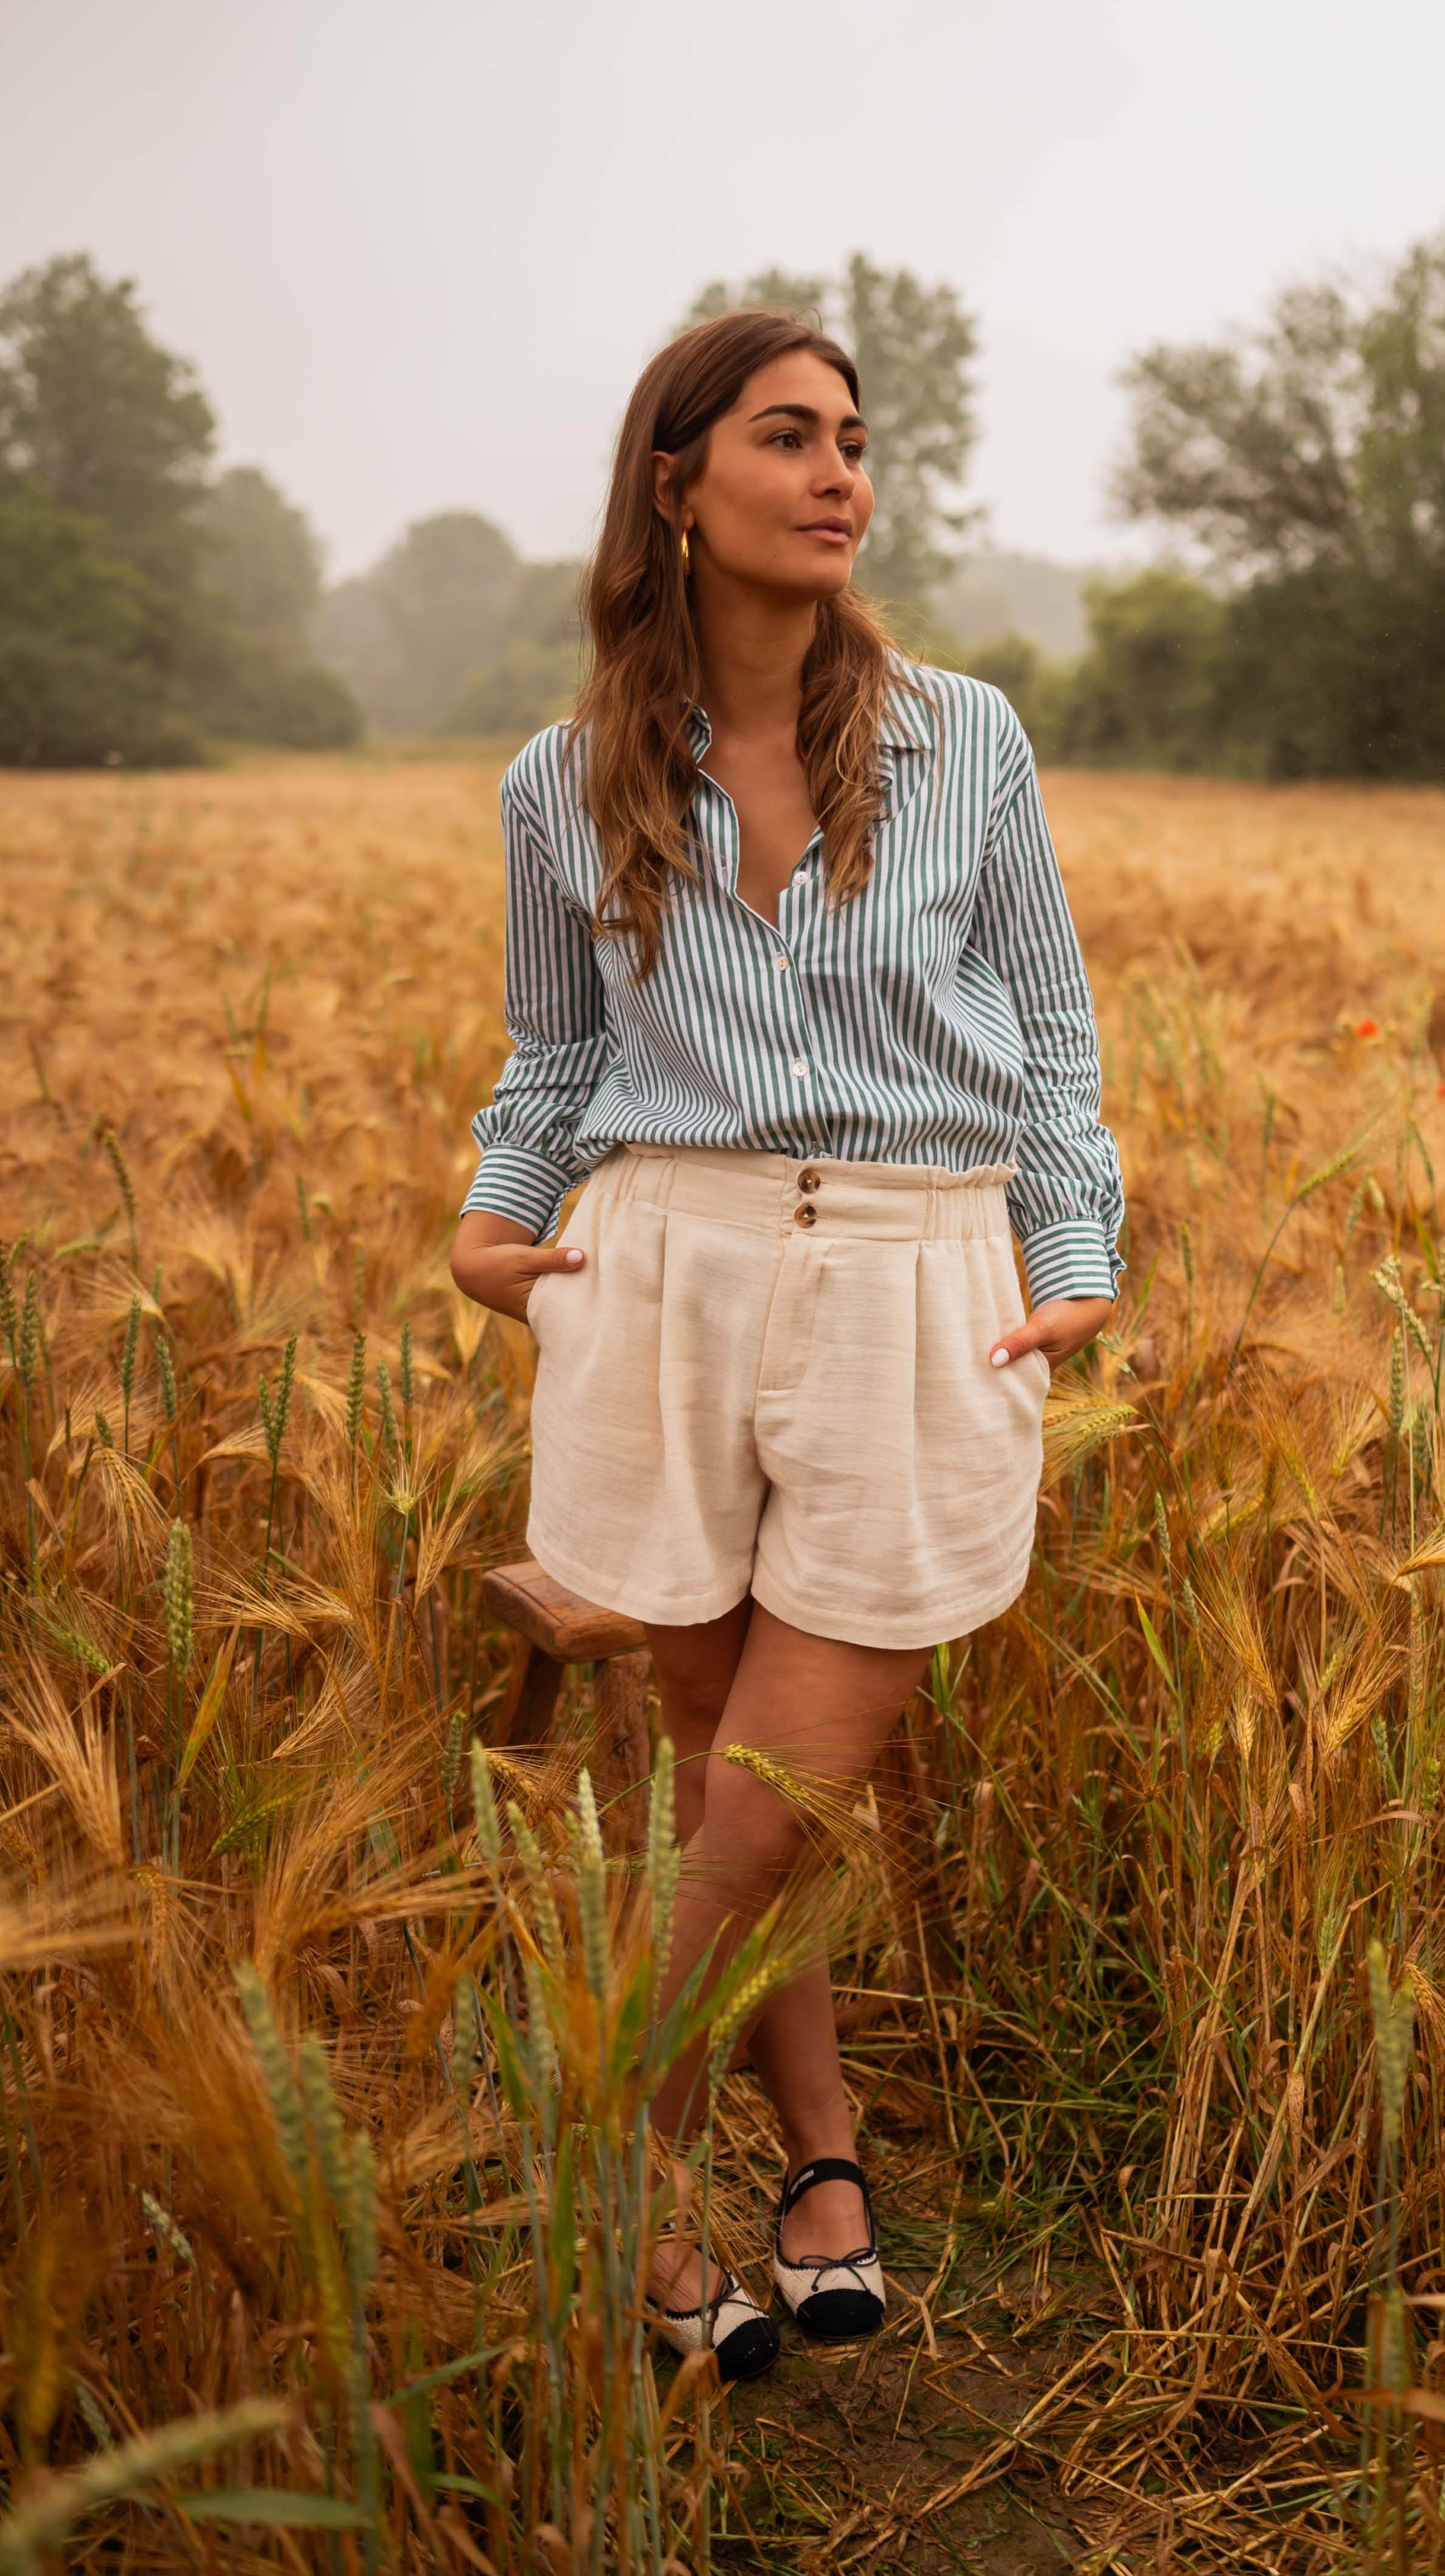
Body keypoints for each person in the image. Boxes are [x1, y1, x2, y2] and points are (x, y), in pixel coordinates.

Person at [449, 307, 1124, 2380]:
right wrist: (495, 1213)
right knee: (722, 1775)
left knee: (759, 1805)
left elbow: (1053, 1026)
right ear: (675, 486)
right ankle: (817, 2147)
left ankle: (611, 2168)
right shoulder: (562, 782)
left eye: (852, 439)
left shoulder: (964, 741)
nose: (841, 476)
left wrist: (1073, 1245)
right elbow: (555, 1050)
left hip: (915, 1283)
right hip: (662, 1275)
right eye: (786, 436)